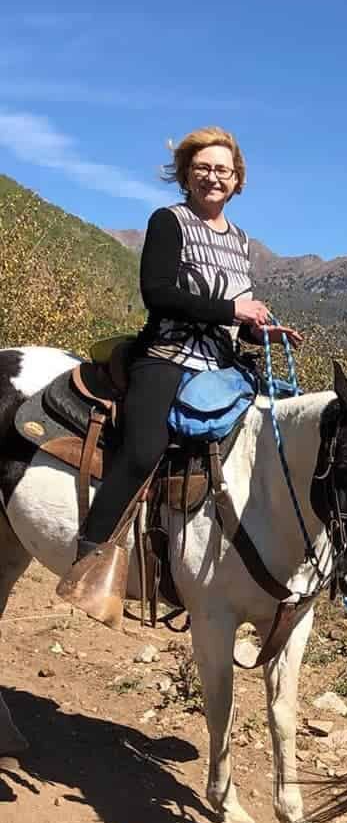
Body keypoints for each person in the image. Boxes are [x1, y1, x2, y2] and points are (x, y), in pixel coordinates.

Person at [56, 126, 300, 628]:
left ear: (238, 181)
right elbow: (159, 293)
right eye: (203, 168)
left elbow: (233, 317)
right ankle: (90, 554)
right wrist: (233, 308)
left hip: (222, 364)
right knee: (145, 447)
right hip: (165, 354)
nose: (213, 177)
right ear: (186, 175)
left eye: (223, 171)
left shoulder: (239, 240)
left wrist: (261, 333)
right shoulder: (169, 221)